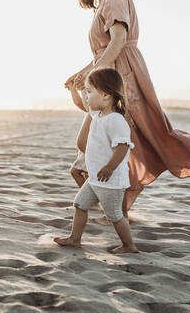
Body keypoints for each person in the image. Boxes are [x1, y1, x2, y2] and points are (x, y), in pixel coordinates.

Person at [65, 0, 190, 217]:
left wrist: (93, 75)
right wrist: (83, 73)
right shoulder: (103, 4)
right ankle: (114, 200)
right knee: (95, 140)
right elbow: (104, 51)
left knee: (136, 135)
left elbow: (118, 41)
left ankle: (121, 198)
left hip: (123, 76)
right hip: (108, 74)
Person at [55, 68, 138, 254]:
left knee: (115, 216)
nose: (87, 96)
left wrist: (110, 166)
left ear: (106, 95)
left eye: (89, 91)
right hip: (95, 178)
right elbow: (81, 103)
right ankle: (75, 239)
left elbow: (123, 146)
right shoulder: (98, 115)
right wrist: (73, 91)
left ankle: (128, 245)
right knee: (80, 204)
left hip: (110, 181)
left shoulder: (116, 120)